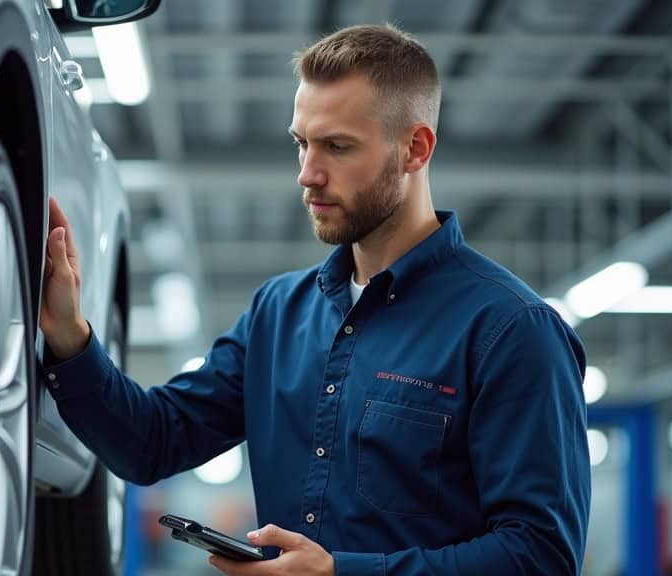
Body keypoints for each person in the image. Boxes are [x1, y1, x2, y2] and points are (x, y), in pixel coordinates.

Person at [39, 24, 590, 576]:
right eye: (302, 142)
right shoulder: (277, 313)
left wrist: (339, 573)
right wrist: (68, 334)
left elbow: (541, 555)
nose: (308, 174)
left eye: (338, 146)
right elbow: (150, 442)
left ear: (415, 149)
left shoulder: (512, 330)